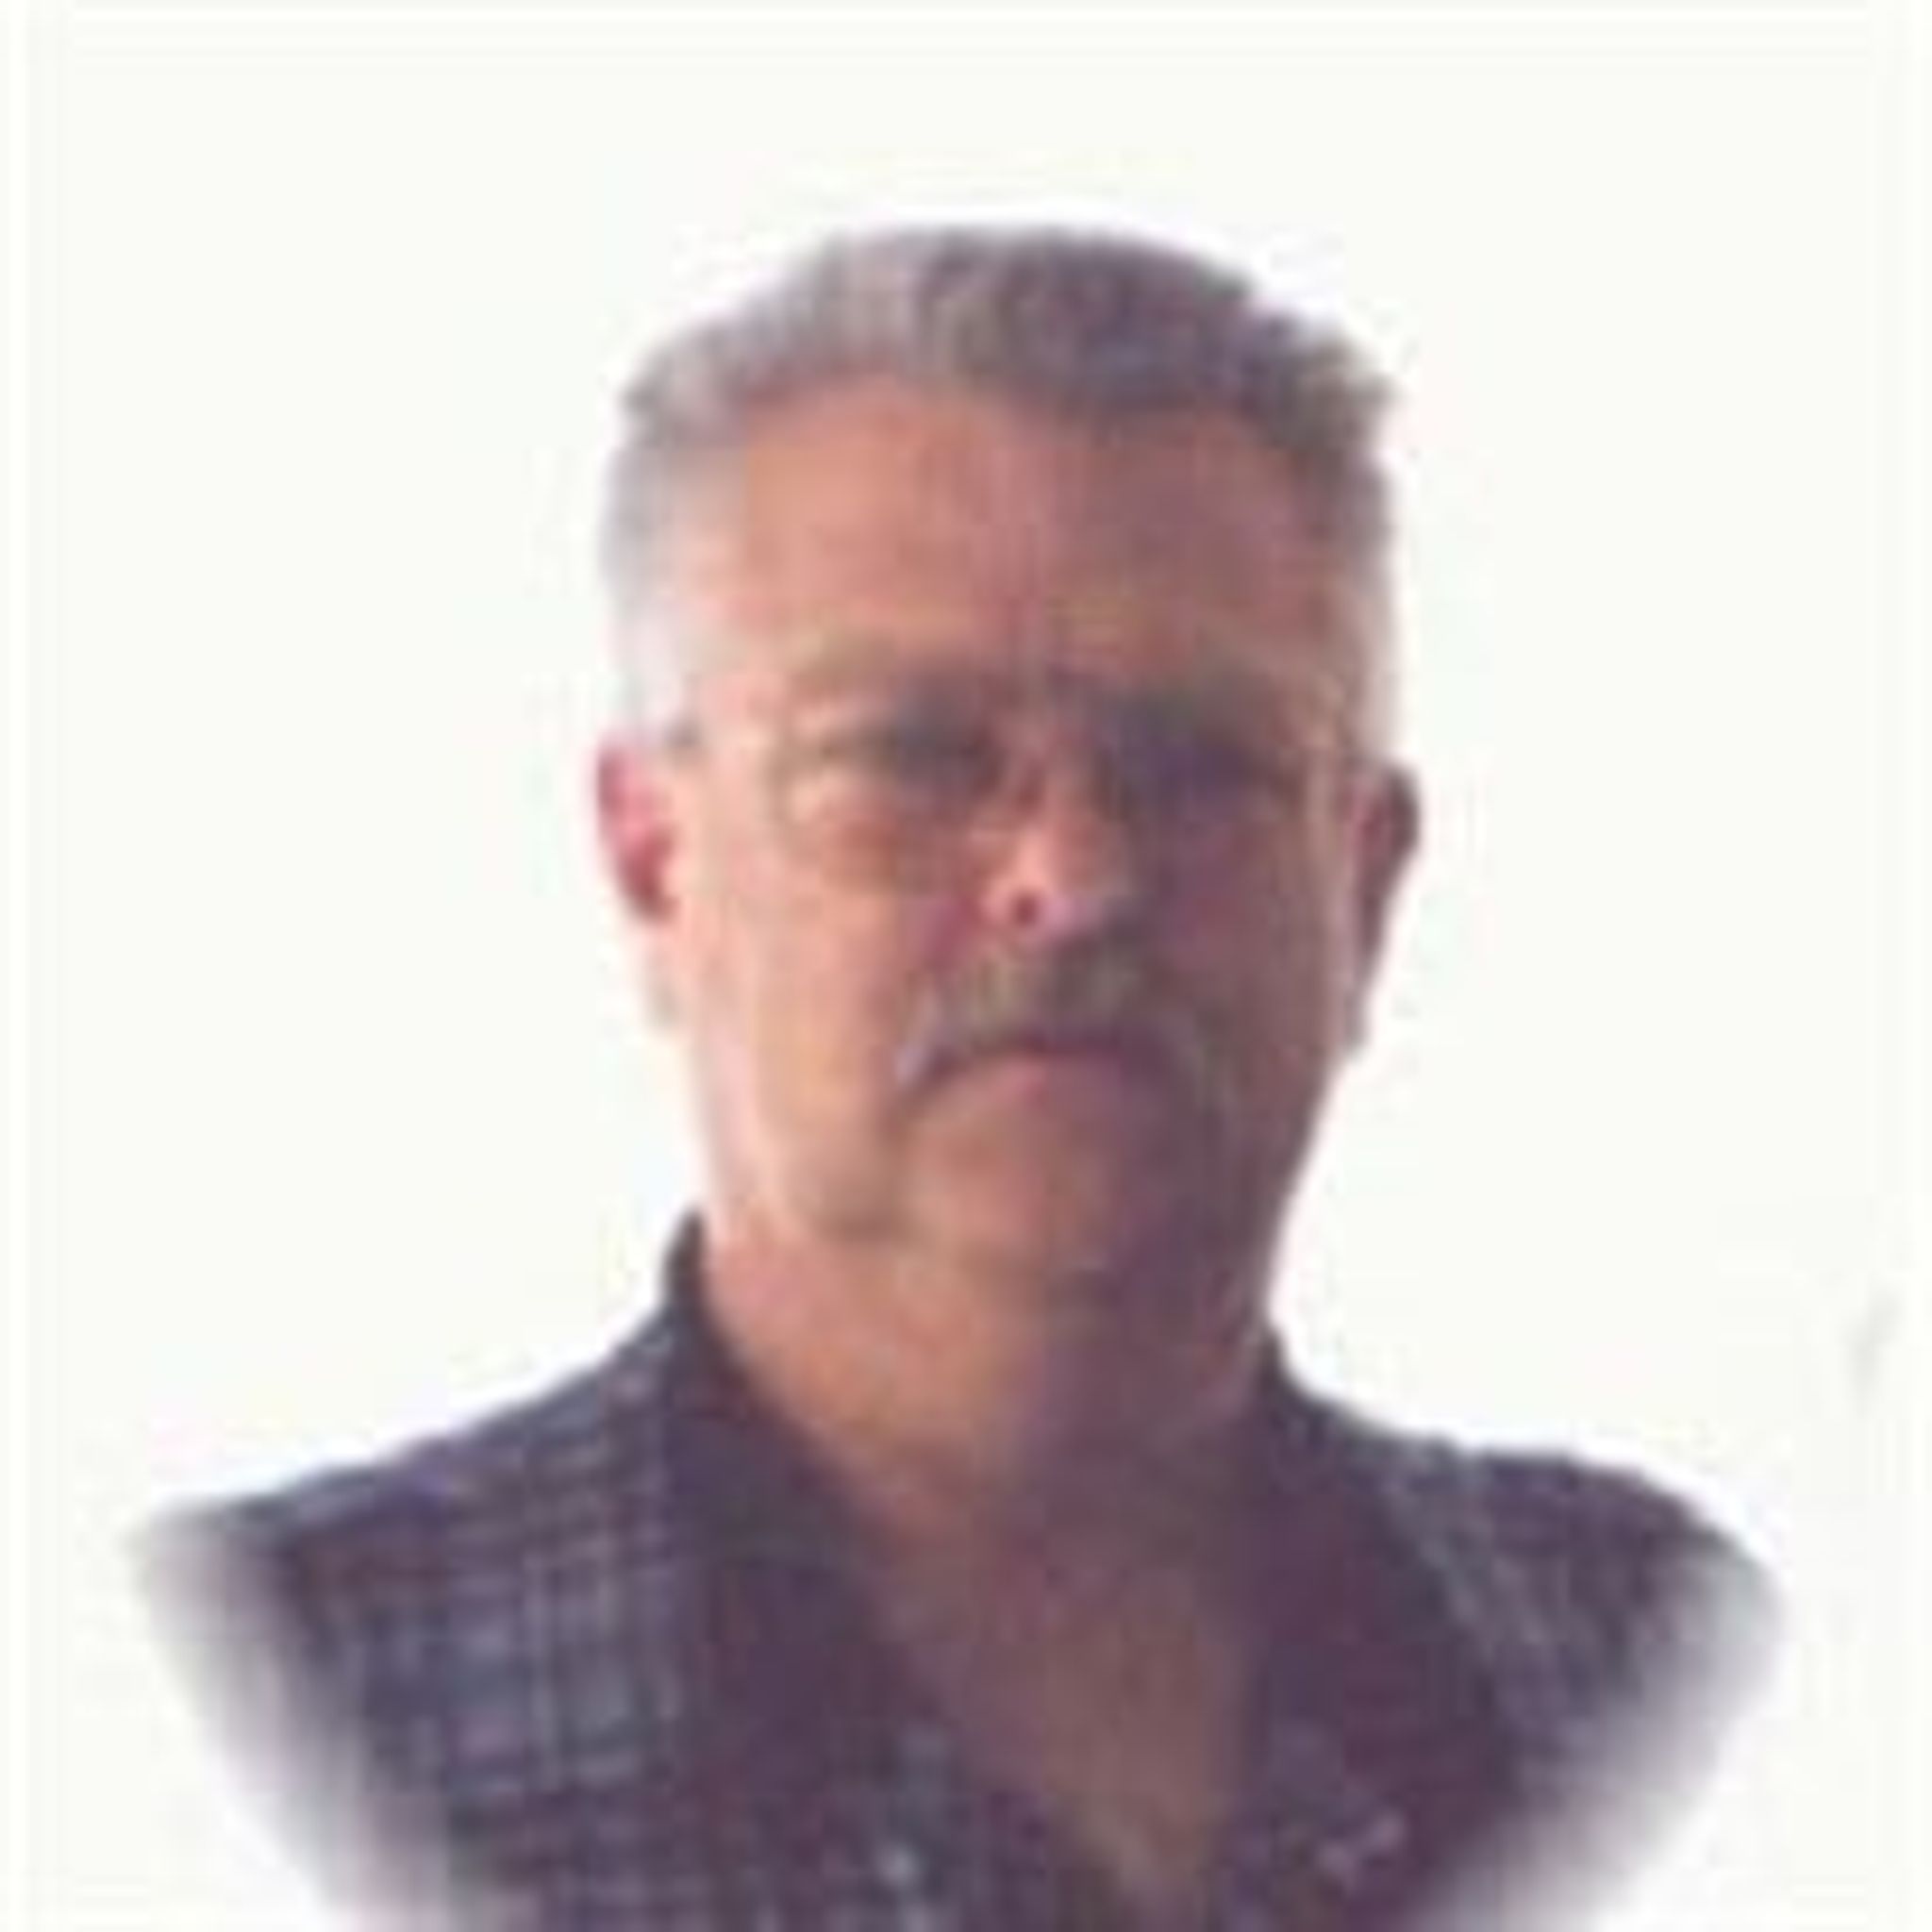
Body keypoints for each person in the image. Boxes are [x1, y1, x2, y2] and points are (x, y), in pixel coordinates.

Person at [145, 225, 1771, 1930]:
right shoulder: (251, 1717)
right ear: (652, 864)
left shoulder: (1652, 1674)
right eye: (911, 757)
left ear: (1362, 887)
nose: (1073, 877)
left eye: (1198, 767)